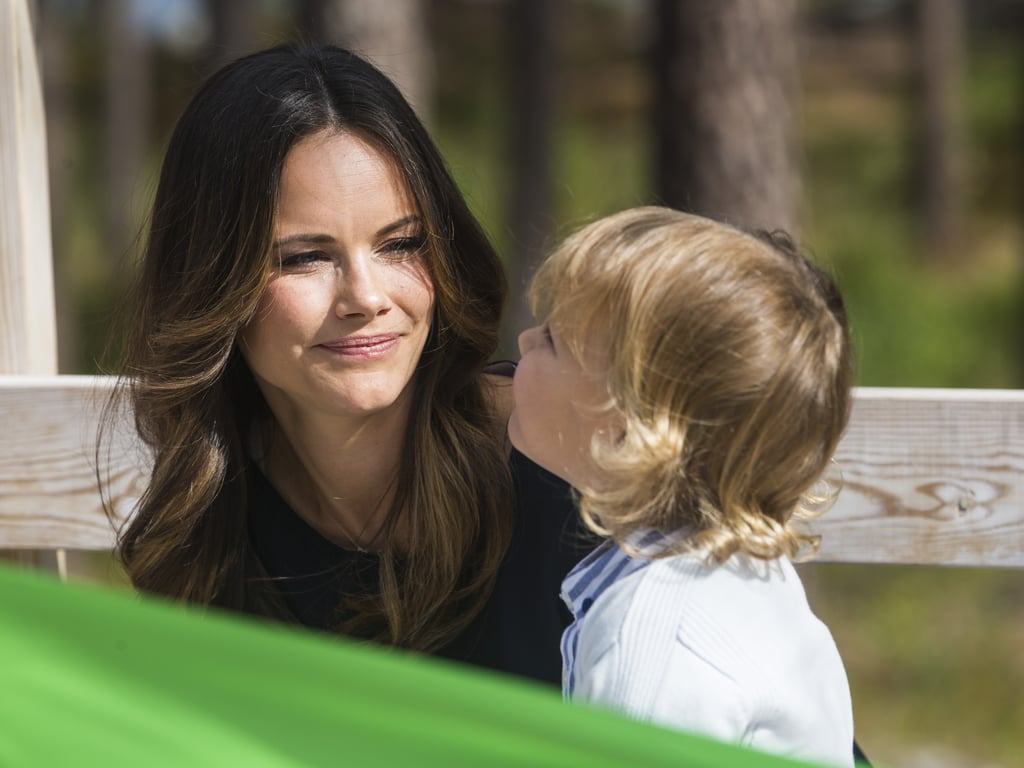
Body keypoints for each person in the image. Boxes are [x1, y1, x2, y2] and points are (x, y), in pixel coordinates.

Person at [102, 43, 589, 686]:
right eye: (304, 256)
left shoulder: (572, 467)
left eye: (401, 244)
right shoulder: (210, 528)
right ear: (214, 284)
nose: (366, 298)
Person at [508, 206, 858, 766]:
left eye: (553, 338)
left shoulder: (653, 638)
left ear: (629, 418)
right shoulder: (737, 574)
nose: (524, 342)